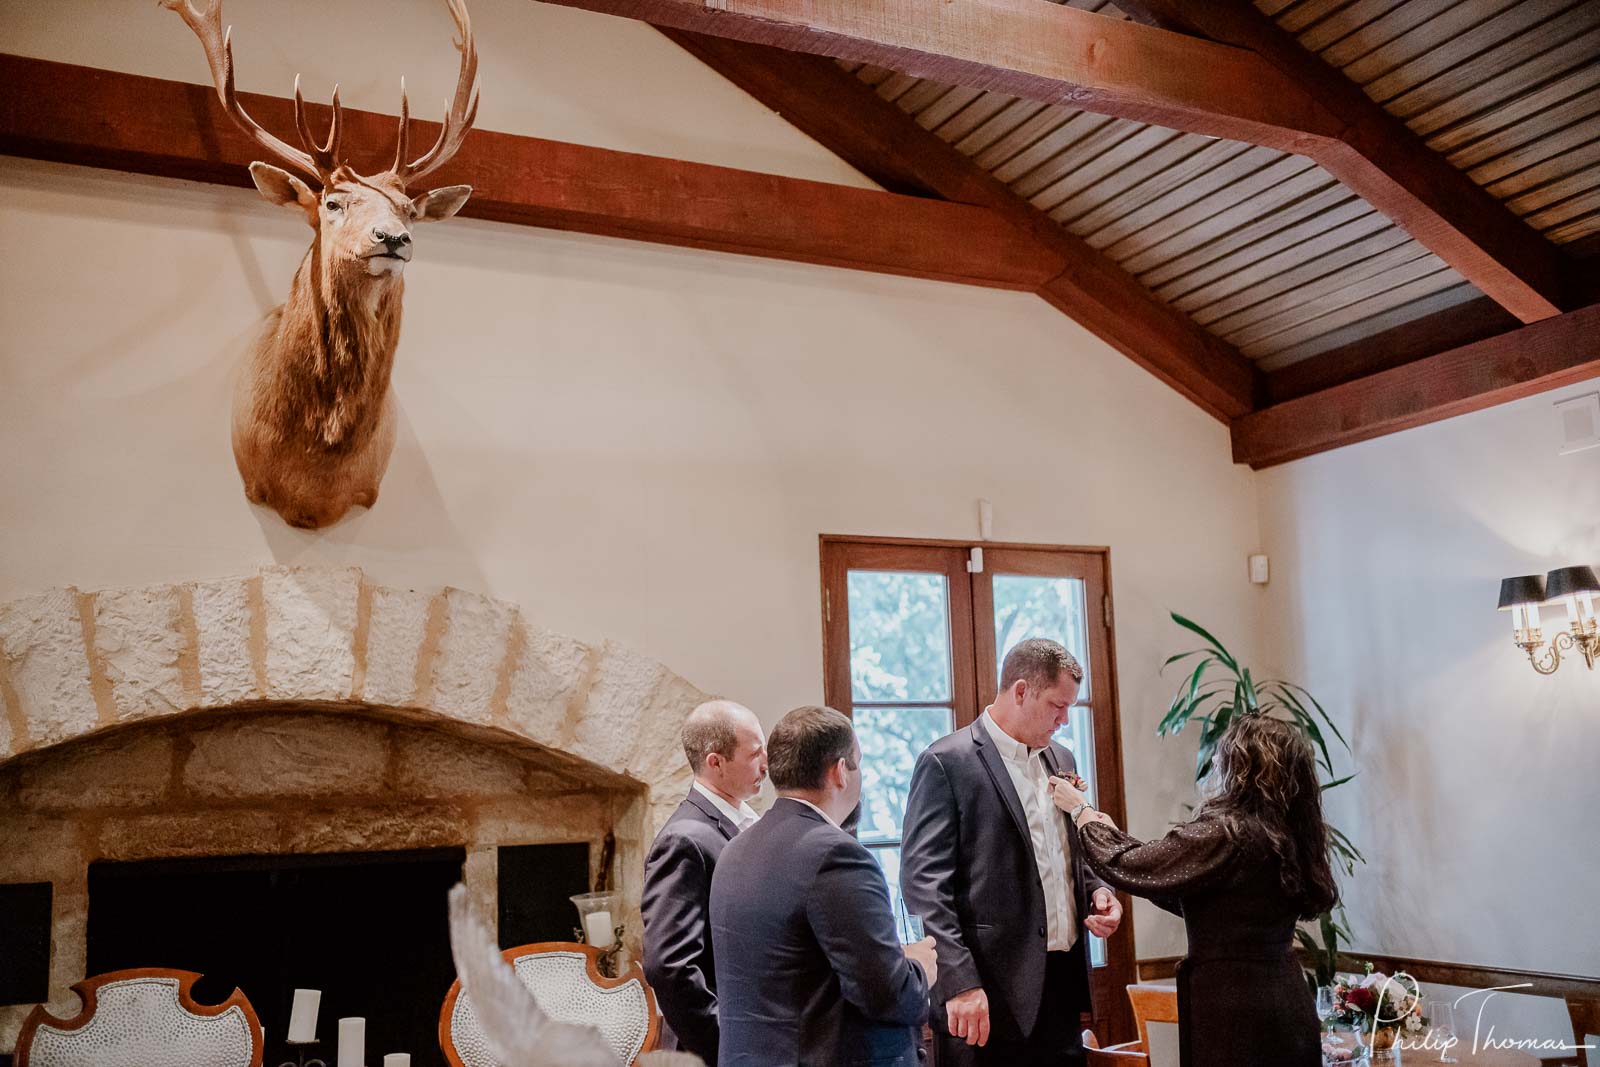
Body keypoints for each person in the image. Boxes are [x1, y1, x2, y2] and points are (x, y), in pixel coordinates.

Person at [1051, 714, 1339, 1067]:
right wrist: (1107, 831)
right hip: (1286, 998)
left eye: (1223, 756)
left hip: (1235, 1009)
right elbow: (1180, 880)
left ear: (1242, 767)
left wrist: (1081, 810)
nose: (1216, 763)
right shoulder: (1282, 833)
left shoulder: (1228, 832)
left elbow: (1132, 866)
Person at [900, 638, 1123, 1066]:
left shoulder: (1060, 756)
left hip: (1059, 984)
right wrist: (959, 981)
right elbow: (923, 886)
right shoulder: (947, 762)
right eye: (1058, 706)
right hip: (986, 991)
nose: (1064, 720)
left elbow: (1063, 850)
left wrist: (1097, 890)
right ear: (1021, 691)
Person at [710, 705, 938, 1067]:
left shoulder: (736, 848)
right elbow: (886, 993)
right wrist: (920, 966)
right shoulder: (837, 855)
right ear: (839, 771)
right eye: (858, 763)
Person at [642, 700, 769, 1063]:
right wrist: (725, 1045)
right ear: (716, 762)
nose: (766, 764)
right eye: (755, 754)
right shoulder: (684, 840)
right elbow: (670, 967)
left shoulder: (745, 822)